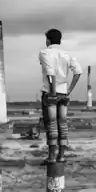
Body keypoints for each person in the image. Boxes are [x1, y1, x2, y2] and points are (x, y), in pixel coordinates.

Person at [39, 28, 82, 163]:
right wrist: (69, 90)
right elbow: (78, 72)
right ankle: (62, 156)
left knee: (51, 124)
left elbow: (50, 74)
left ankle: (52, 156)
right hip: (64, 93)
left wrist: (52, 92)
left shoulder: (45, 53)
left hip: (50, 92)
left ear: (48, 40)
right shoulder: (67, 54)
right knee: (62, 124)